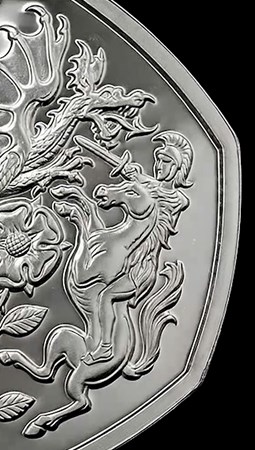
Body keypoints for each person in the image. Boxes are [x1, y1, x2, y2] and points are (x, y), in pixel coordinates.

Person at [87, 130, 194, 364]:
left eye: (165, 162)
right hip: (130, 259)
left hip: (141, 268)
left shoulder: (177, 200)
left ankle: (106, 347)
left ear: (177, 168)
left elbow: (158, 196)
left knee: (107, 298)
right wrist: (133, 175)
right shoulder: (151, 186)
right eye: (158, 160)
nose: (159, 166)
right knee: (113, 304)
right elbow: (144, 186)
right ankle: (118, 350)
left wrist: (138, 180)